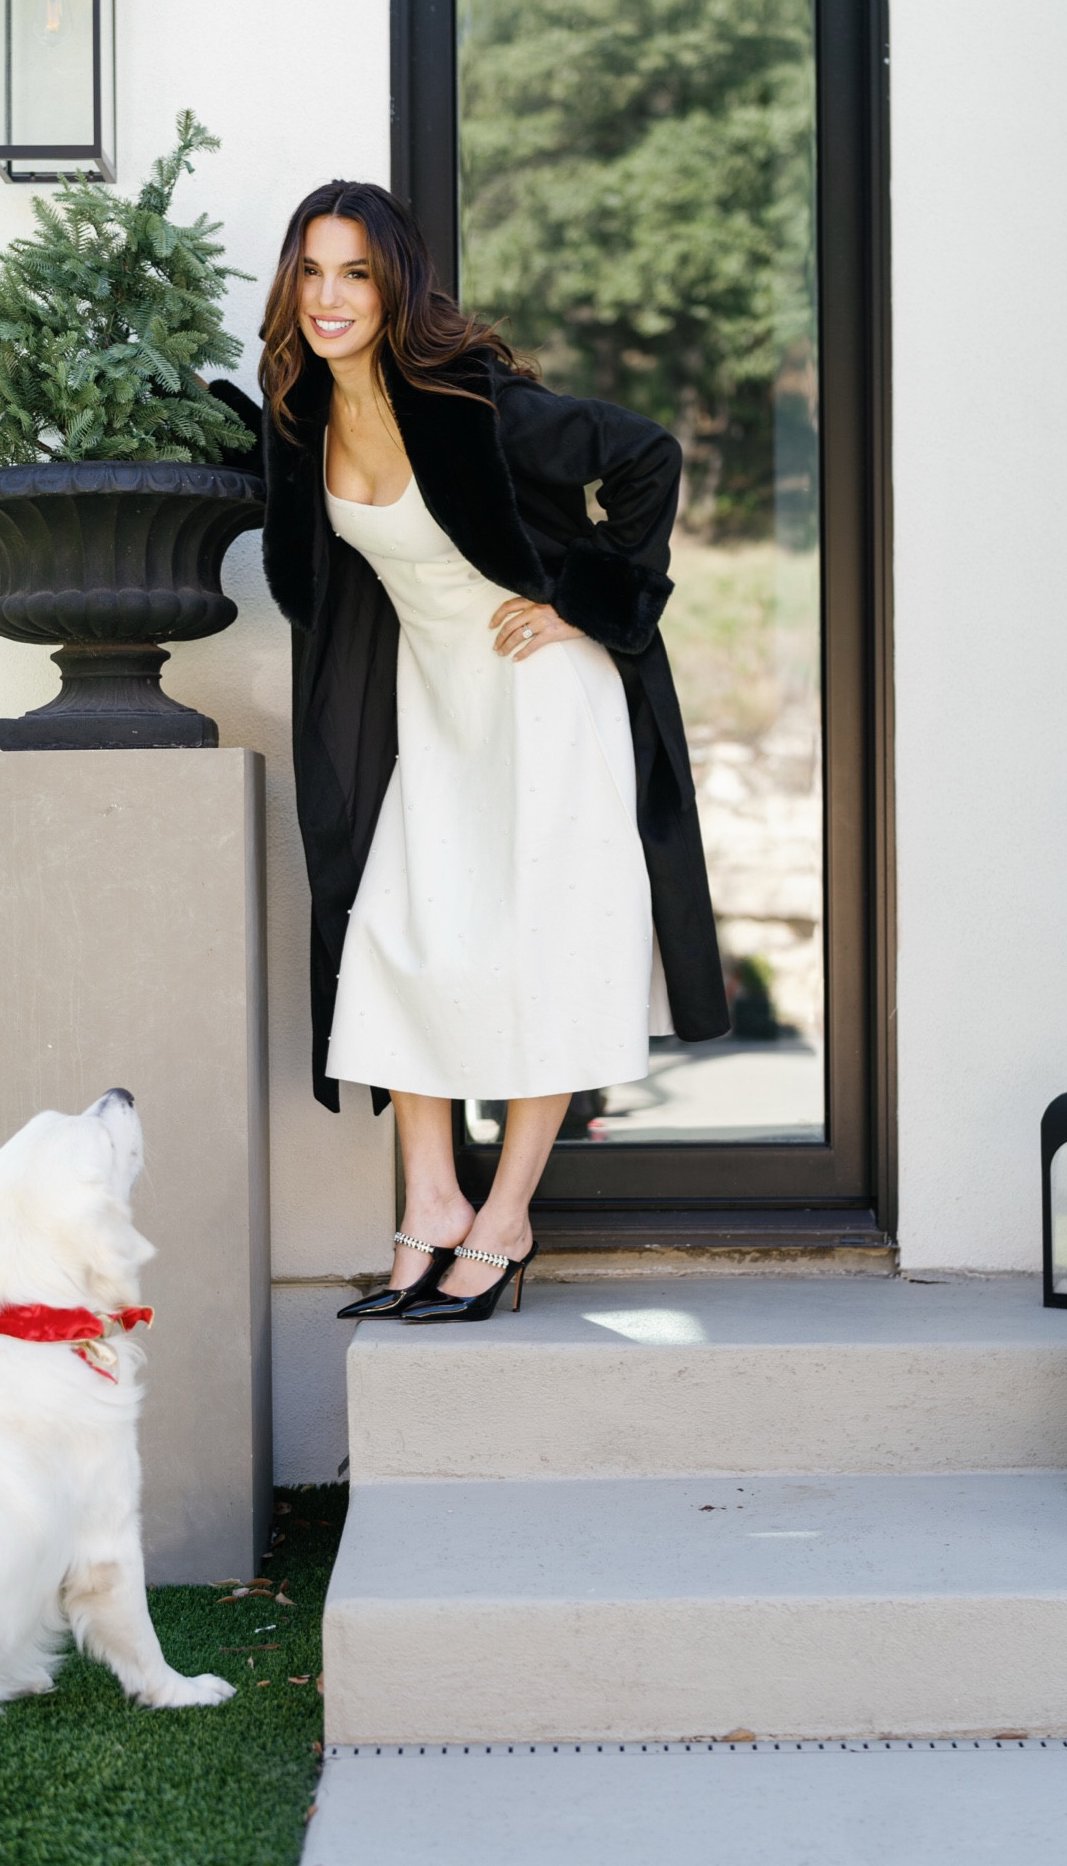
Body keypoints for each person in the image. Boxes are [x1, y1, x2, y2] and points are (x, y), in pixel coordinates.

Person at [258, 181, 728, 1323]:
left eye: (355, 274)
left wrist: (586, 603)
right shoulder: (299, 415)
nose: (329, 297)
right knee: (391, 931)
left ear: (393, 286)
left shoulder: (470, 401)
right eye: (311, 272)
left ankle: (506, 1216)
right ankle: (432, 1206)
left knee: (542, 940)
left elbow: (647, 454)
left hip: (540, 692)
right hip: (432, 699)